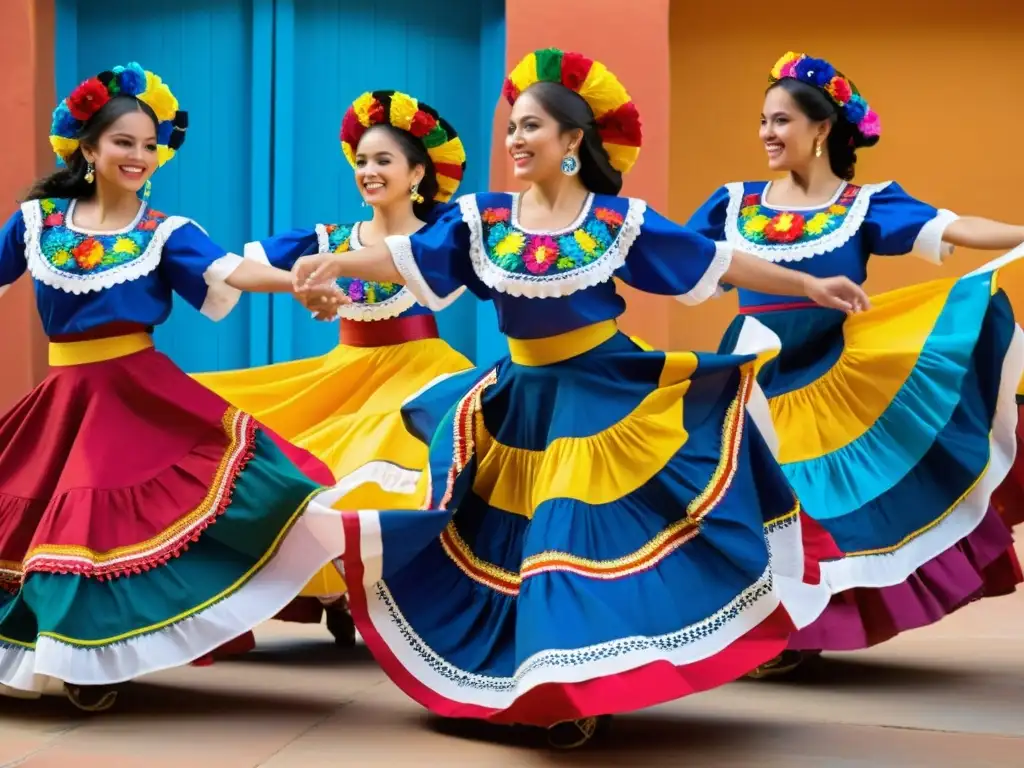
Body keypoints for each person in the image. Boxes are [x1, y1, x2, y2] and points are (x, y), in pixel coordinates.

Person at [290, 48, 870, 749]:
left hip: (600, 398)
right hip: (521, 403)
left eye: (531, 126)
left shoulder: (616, 221)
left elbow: (712, 261)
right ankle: (532, 685)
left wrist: (808, 285)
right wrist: (338, 261)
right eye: (511, 128)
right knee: (501, 547)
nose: (515, 140)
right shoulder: (483, 219)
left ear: (572, 142)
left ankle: (564, 693)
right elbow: (405, 256)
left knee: (564, 549)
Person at [0, 63, 345, 710]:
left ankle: (89, 659)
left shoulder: (165, 231)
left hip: (134, 395)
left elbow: (232, 270)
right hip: (65, 397)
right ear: (88, 148)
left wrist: (298, 281)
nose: (138, 155)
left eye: (148, 144)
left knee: (95, 516)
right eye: (123, 142)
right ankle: (72, 656)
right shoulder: (38, 222)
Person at [685, 51, 1024, 677]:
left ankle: (801, 629)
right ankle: (745, 622)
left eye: (781, 120)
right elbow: (677, 255)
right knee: (744, 494)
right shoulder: (731, 203)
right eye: (762, 120)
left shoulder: (865, 204)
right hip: (753, 367)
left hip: (832, 370)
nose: (766, 133)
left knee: (820, 499)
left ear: (821, 129)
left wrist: (1021, 230)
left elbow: (955, 226)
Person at [194, 90, 473, 645]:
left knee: (390, 447)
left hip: (416, 372)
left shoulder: (440, 237)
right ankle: (327, 588)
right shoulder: (326, 241)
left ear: (417, 171)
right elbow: (234, 266)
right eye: (362, 162)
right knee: (238, 432)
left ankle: (392, 597)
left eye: (384, 161)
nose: (369, 171)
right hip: (343, 374)